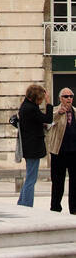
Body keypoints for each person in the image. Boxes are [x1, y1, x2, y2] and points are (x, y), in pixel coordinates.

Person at [16, 83, 52, 207]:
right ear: (36, 97)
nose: (41, 101)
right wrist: (49, 103)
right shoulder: (31, 108)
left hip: (29, 145)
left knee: (29, 177)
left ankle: (22, 202)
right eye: (41, 99)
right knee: (31, 179)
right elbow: (48, 118)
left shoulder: (25, 106)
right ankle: (27, 205)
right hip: (33, 147)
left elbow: (35, 122)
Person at [47, 86, 76, 214]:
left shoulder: (75, 111)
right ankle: (55, 208)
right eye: (66, 96)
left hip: (74, 152)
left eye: (71, 96)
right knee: (58, 182)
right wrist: (59, 113)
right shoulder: (55, 111)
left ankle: (74, 209)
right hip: (58, 152)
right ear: (60, 98)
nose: (69, 99)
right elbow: (48, 123)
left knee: (74, 182)